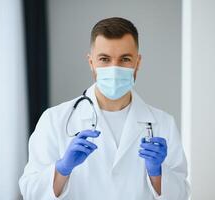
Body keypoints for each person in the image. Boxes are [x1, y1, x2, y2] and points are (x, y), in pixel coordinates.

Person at [19, 17, 190, 200]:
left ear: (137, 63)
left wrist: (157, 173)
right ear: (91, 62)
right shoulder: (55, 119)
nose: (114, 68)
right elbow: (31, 192)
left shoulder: (163, 123)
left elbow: (181, 195)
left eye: (125, 59)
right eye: (104, 59)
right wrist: (62, 169)